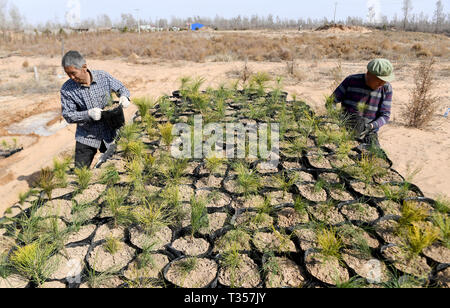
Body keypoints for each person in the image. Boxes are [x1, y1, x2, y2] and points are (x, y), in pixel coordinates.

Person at [60, 50, 131, 168]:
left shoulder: (103, 77)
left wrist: (124, 97)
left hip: (111, 131)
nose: (71, 77)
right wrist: (88, 114)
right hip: (86, 136)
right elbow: (68, 115)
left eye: (73, 73)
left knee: (121, 163)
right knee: (80, 173)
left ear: (84, 67)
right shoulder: (67, 89)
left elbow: (121, 88)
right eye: (68, 74)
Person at [331, 58, 394, 147]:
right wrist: (340, 118)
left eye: (384, 81)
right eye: (379, 80)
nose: (381, 84)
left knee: (375, 158)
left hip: (369, 133)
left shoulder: (386, 88)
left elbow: (385, 115)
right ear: (368, 73)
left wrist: (370, 126)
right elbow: (331, 103)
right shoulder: (351, 81)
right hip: (345, 130)